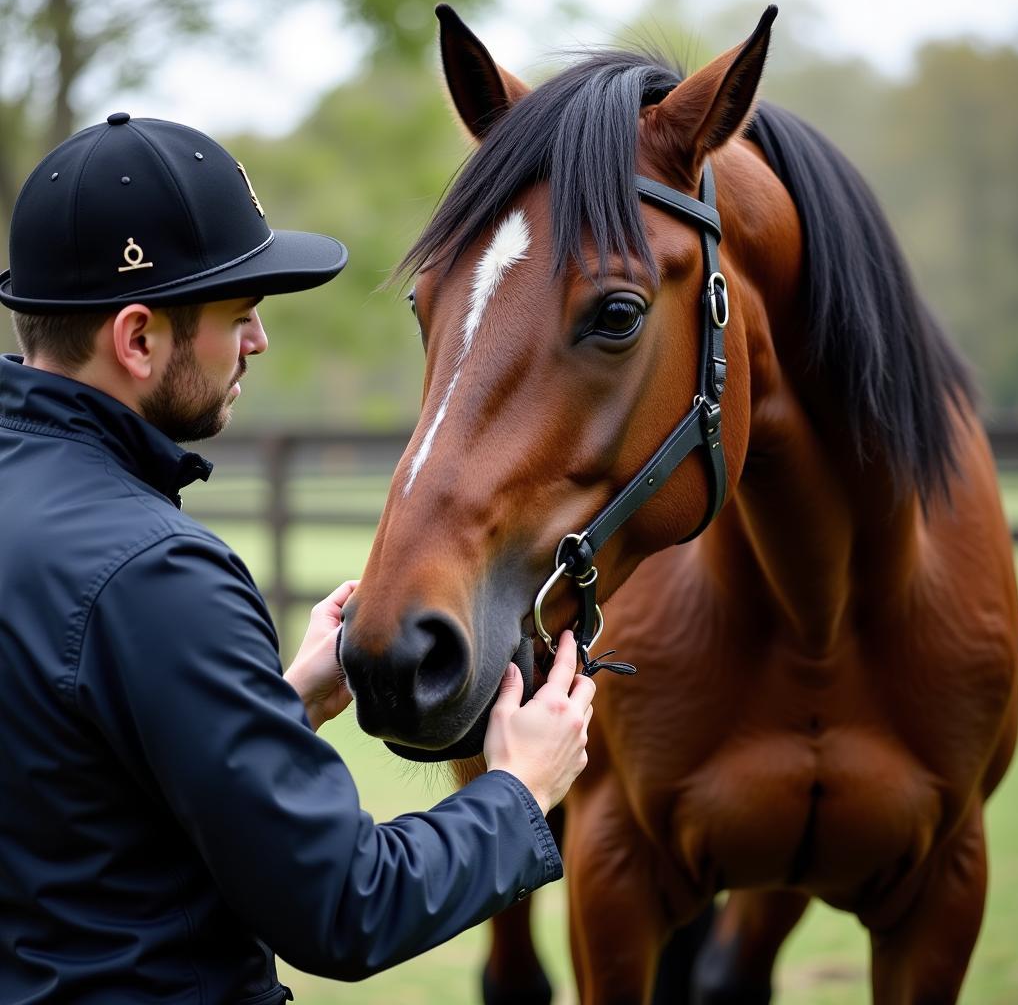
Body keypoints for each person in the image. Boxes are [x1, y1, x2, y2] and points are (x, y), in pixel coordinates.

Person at [0, 114, 595, 1004]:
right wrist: (518, 789)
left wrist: (284, 705)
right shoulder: (155, 574)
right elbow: (345, 906)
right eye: (238, 315)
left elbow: (75, 800)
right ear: (137, 339)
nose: (258, 343)